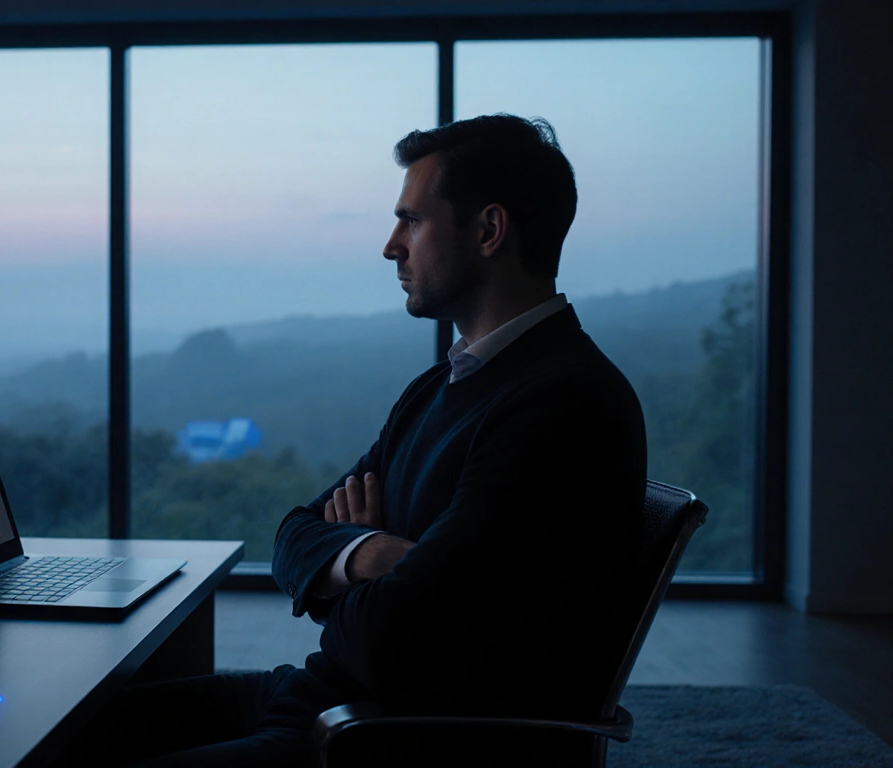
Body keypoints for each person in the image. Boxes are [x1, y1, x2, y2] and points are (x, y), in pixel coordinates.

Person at [62, 114, 647, 767]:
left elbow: (394, 639)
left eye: (413, 221)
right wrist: (373, 555)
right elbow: (294, 533)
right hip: (322, 699)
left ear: (488, 230)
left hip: (383, 737)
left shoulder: (563, 406)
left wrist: (353, 584)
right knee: (60, 733)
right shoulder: (441, 389)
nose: (391, 245)